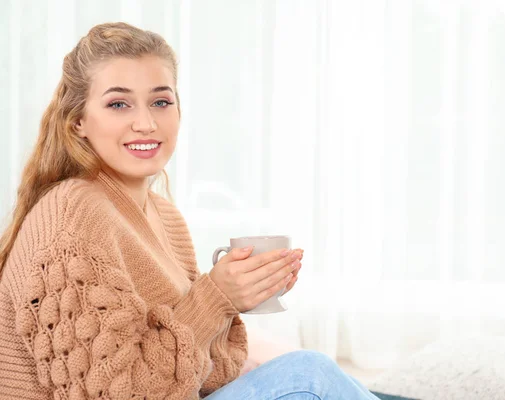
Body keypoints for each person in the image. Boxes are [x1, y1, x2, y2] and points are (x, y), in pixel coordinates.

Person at [0, 22, 379, 400]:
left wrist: (236, 296)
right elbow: (109, 392)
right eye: (119, 103)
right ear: (78, 121)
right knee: (308, 376)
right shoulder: (72, 213)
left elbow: (203, 375)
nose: (146, 123)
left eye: (161, 102)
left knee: (306, 375)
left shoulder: (165, 217)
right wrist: (215, 296)